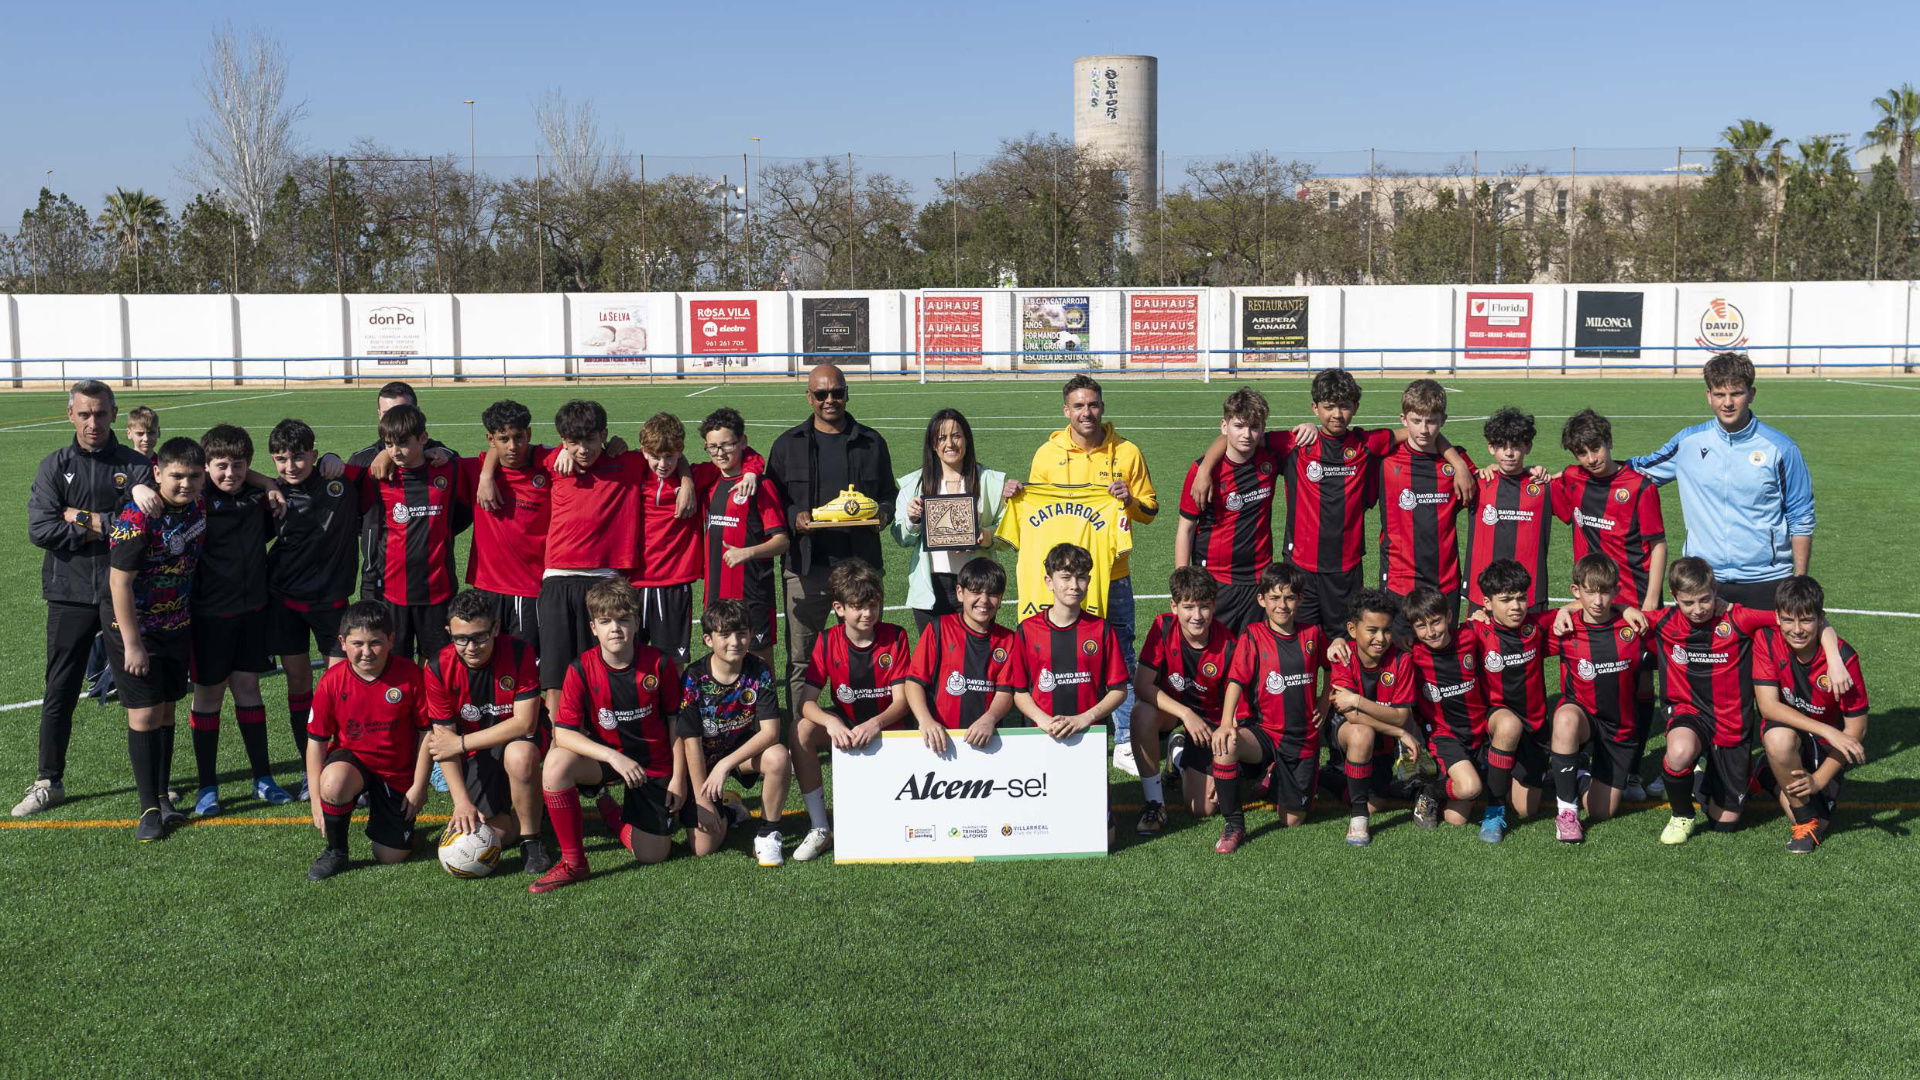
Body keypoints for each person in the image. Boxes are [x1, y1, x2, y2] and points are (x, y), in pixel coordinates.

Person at [1187, 369, 1471, 638]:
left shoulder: (1366, 443)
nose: (1337, 414)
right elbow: (1238, 436)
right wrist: (1205, 469)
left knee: (1345, 644)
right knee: (1300, 642)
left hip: (1346, 570)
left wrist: (1457, 461)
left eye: (1344, 406)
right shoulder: (1296, 442)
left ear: (1355, 407)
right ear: (1315, 408)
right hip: (1300, 569)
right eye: (1329, 407)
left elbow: (1419, 432)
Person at [19, 379, 156, 817]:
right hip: (69, 593)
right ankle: (48, 780)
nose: (92, 422)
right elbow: (41, 528)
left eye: (100, 413)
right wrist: (112, 526)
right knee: (60, 688)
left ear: (114, 414)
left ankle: (155, 788)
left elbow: (145, 527)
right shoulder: (54, 466)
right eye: (84, 414)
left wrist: (80, 517)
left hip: (126, 594)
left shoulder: (136, 465)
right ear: (70, 415)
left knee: (139, 690)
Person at [1645, 557, 1845, 844]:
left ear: (1715, 590)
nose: (1698, 609)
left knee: (1725, 822)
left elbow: (1803, 618)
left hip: (1732, 722)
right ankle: (1682, 815)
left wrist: (1834, 658)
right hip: (1689, 712)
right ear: (1674, 597)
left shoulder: (1738, 618)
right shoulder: (1664, 621)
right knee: (1679, 751)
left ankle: (1709, 779)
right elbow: (1611, 614)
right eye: (1688, 603)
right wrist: (1622, 611)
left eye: (1704, 599)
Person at [1027, 374, 1156, 774]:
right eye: (1079, 406)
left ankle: (1125, 740)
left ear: (1103, 407)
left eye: (1093, 404)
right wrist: (1017, 493)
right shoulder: (1046, 455)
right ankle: (1053, 723)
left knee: (1121, 652)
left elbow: (1150, 511)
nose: (1087, 412)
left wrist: (1129, 500)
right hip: (1065, 580)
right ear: (1066, 410)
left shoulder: (1127, 452)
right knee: (1060, 653)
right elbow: (1034, 508)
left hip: (1113, 574)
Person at [766, 363, 898, 728]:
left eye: (836, 393)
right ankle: (800, 737)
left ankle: (868, 730)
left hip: (861, 567)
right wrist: (793, 516)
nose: (830, 400)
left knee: (865, 652)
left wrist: (883, 514)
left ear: (846, 394)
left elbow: (889, 493)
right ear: (808, 397)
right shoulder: (787, 444)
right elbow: (771, 499)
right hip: (806, 567)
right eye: (821, 394)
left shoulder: (871, 442)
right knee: (801, 659)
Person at [534, 578, 686, 894]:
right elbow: (563, 733)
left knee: (653, 855)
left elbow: (677, 725)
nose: (615, 628)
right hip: (607, 761)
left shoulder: (659, 663)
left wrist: (678, 779)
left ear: (637, 622)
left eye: (623, 620)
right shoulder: (580, 669)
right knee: (556, 763)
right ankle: (574, 863)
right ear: (593, 628)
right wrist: (613, 757)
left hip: (652, 765)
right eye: (605, 621)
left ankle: (614, 816)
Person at [1629, 352, 1814, 609]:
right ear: (1708, 396)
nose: (1727, 403)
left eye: (1736, 394)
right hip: (1703, 580)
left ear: (1751, 394)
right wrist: (1583, 468)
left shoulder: (1781, 448)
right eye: (1719, 394)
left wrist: (1800, 579)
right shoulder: (1688, 442)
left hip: (1767, 579)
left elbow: (1800, 515)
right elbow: (1639, 470)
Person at [106, 437, 208, 840]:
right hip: (136, 629)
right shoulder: (138, 517)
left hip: (176, 624)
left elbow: (234, 470)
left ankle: (164, 798)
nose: (186, 483)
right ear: (157, 473)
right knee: (145, 714)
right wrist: (133, 644)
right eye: (177, 476)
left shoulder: (198, 504)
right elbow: (118, 584)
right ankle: (148, 807)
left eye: (194, 476)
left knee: (166, 711)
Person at [184, 424, 288, 816]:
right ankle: (207, 786)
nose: (230, 474)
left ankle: (263, 777)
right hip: (208, 617)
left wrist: (266, 483)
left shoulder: (257, 498)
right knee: (208, 696)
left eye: (239, 465)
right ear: (206, 466)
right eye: (221, 466)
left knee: (249, 689)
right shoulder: (195, 499)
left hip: (252, 612)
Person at [266, 419, 365, 800]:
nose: (290, 466)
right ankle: (311, 770)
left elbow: (380, 461)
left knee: (340, 688)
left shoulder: (339, 482)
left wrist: (336, 460)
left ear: (313, 453)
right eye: (281, 459)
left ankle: (347, 764)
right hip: (285, 603)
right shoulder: (271, 495)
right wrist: (266, 483)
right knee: (299, 683)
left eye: (298, 457)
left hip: (331, 604)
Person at [790, 559, 909, 862]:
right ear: (839, 609)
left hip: (889, 726)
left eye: (873, 605)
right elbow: (807, 703)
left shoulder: (896, 636)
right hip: (847, 724)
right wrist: (831, 722)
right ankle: (820, 827)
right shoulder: (827, 640)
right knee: (801, 730)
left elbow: (902, 702)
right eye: (858, 606)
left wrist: (875, 724)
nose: (867, 613)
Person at [423, 589, 549, 875]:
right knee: (496, 833)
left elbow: (525, 723)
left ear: (495, 628)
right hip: (476, 751)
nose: (471, 647)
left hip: (514, 739)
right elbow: (443, 742)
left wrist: (462, 743)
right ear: (449, 633)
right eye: (461, 639)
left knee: (520, 756)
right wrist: (461, 803)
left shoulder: (519, 652)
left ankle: (532, 840)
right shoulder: (437, 666)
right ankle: (530, 809)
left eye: (479, 637)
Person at [303, 601, 432, 881]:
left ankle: (391, 823)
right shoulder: (332, 681)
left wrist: (419, 786)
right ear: (343, 643)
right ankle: (336, 850)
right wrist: (315, 798)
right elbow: (316, 741)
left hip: (396, 772)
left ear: (391, 640)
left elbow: (427, 733)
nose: (366, 652)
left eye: (375, 642)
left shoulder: (410, 675)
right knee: (333, 783)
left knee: (390, 856)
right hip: (353, 763)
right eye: (357, 643)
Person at [1209, 562, 1329, 852]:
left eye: (1289, 598)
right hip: (1264, 732)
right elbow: (1235, 680)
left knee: (1292, 820)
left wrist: (1325, 701)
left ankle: (1275, 776)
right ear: (1261, 599)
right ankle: (1234, 825)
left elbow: (1332, 667)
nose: (1282, 605)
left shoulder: (1313, 634)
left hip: (1301, 738)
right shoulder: (1252, 635)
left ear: (1300, 600)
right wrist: (1226, 723)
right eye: (1274, 598)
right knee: (1226, 745)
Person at [1754, 576, 1869, 853]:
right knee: (1778, 740)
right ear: (1777, 617)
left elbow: (1856, 730)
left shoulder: (1844, 659)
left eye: (1806, 620)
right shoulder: (1766, 639)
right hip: (1793, 730)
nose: (1796, 630)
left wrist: (1818, 780)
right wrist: (1828, 730)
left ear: (1820, 619)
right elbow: (1768, 707)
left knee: (1824, 821)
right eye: (1788, 620)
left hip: (1826, 747)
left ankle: (1767, 775)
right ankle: (1804, 822)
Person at [1543, 556, 1651, 843]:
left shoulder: (1635, 627)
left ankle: (1576, 773)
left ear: (1616, 591)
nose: (1598, 601)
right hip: (1583, 718)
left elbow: (1679, 624)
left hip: (1619, 728)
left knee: (1602, 811)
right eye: (1590, 592)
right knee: (1565, 718)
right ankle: (1567, 813)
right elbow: (1515, 626)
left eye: (1605, 592)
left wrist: (1626, 608)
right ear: (1576, 591)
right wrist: (1480, 617)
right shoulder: (1563, 626)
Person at [676, 599, 790, 866]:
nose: (735, 642)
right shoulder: (694, 678)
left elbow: (771, 733)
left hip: (740, 757)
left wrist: (725, 765)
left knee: (778, 756)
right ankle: (729, 809)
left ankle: (768, 833)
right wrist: (702, 800)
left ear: (751, 634)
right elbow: (690, 743)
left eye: (741, 633)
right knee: (703, 848)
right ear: (708, 640)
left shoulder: (759, 669)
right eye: (725, 635)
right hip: (703, 761)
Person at [1130, 567, 1238, 836]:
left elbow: (1236, 708)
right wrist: (1186, 714)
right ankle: (1155, 803)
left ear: (1214, 606)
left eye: (1204, 607)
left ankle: (1178, 756)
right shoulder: (1163, 626)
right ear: (1174, 607)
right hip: (1173, 711)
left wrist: (1223, 766)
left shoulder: (1229, 644)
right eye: (1188, 607)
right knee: (1141, 713)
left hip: (1210, 723)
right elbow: (1142, 684)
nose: (1197, 616)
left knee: (1202, 808)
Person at [359, 403, 470, 662]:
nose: (395, 451)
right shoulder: (378, 476)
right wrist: (329, 457)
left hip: (438, 590)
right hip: (393, 592)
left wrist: (445, 453)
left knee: (438, 665)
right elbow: (335, 472)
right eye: (388, 444)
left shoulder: (449, 470)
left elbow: (488, 463)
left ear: (423, 438)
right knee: (396, 664)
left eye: (402, 443)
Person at [893, 408, 1015, 630]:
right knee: (934, 650)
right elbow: (901, 537)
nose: (949, 444)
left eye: (956, 436)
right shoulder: (914, 484)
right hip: (931, 587)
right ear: (933, 444)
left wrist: (984, 535)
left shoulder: (990, 481)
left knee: (976, 649)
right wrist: (912, 519)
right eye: (941, 437)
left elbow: (1009, 533)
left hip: (977, 585)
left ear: (967, 440)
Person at [1462, 559, 1556, 842]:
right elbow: (1434, 638)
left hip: (1534, 727)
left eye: (1521, 598)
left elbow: (1583, 607)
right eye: (1505, 600)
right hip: (1496, 719)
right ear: (1487, 603)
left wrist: (1623, 608)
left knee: (1526, 809)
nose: (1516, 606)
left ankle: (1506, 770)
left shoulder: (1536, 626)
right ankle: (1493, 810)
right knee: (1508, 725)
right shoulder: (1475, 632)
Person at [1176, 387, 1281, 633]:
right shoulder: (1202, 471)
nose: (1246, 434)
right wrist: (1183, 581)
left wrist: (1308, 427)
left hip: (1258, 579)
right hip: (1215, 579)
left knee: (1252, 651)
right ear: (1224, 427)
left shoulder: (1271, 459)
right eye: (1239, 426)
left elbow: (1304, 438)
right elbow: (1186, 528)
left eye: (1254, 427)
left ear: (1263, 429)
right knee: (1214, 651)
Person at [1374, 379, 1475, 622]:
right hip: (1399, 579)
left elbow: (1491, 485)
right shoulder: (1384, 460)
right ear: (1403, 419)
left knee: (1444, 644)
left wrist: (1463, 465)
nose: (1424, 429)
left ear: (1443, 420)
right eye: (1416, 421)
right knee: (1399, 645)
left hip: (1445, 579)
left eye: (1431, 421)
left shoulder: (1459, 465)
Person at [696, 408, 790, 667]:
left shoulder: (760, 486)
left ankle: (766, 698)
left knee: (760, 661)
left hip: (753, 592)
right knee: (722, 661)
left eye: (727, 444)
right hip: (715, 593)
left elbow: (782, 541)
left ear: (742, 442)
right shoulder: (709, 482)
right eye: (712, 447)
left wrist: (746, 552)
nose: (720, 453)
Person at [1326, 590, 1419, 848]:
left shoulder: (1401, 660)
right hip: (1347, 732)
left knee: (1376, 802)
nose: (1380, 638)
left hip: (1383, 742)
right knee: (1361, 733)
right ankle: (1358, 819)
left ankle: (1328, 778)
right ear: (1352, 629)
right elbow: (1352, 716)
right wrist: (1399, 732)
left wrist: (1357, 699)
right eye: (1372, 630)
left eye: (1387, 630)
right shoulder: (1343, 655)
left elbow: (1401, 717)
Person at [904, 557, 1025, 753]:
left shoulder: (1008, 640)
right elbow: (914, 682)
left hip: (986, 739)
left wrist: (989, 719)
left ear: (1001, 598)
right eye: (976, 592)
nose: (984, 600)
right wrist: (925, 720)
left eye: (992, 594)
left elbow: (1005, 691)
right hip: (939, 737)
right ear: (960, 593)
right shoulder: (939, 628)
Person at [457, 401, 551, 650]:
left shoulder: (549, 467)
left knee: (526, 663)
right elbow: (424, 456)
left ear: (529, 433)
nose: (512, 446)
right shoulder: (473, 469)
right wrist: (486, 474)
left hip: (530, 589)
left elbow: (579, 450)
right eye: (503, 439)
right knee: (485, 659)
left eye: (518, 437)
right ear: (490, 439)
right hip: (486, 587)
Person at [1009, 544, 1129, 738]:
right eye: (1065, 577)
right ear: (1049, 582)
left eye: (1081, 577)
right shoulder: (1028, 630)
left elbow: (1119, 690)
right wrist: (1043, 720)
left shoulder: (1101, 629)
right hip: (1041, 732)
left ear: (1088, 581)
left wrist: (1086, 718)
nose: (1074, 585)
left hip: (1089, 733)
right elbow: (1019, 691)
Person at [1403, 585, 1487, 830]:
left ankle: (1443, 784)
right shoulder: (1412, 655)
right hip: (1445, 735)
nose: (1430, 632)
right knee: (1469, 788)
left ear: (1449, 616)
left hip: (1481, 732)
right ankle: (1428, 791)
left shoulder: (1470, 636)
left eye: (1436, 622)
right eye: (1421, 626)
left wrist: (1483, 616)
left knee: (1455, 818)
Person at [634, 413, 707, 665]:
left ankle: (672, 696)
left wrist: (687, 480)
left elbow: (743, 459)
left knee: (671, 663)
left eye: (670, 457)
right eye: (656, 456)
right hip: (632, 582)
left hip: (674, 582)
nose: (663, 464)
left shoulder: (696, 477)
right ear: (643, 451)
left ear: (680, 450)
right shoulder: (631, 472)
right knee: (627, 658)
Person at [1464, 408, 1551, 616]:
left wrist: (1543, 472)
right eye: (1502, 446)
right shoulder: (1477, 484)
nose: (1509, 453)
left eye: (1516, 446)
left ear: (1528, 447)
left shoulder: (1544, 487)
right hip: (1483, 594)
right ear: (1491, 448)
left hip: (1529, 595)